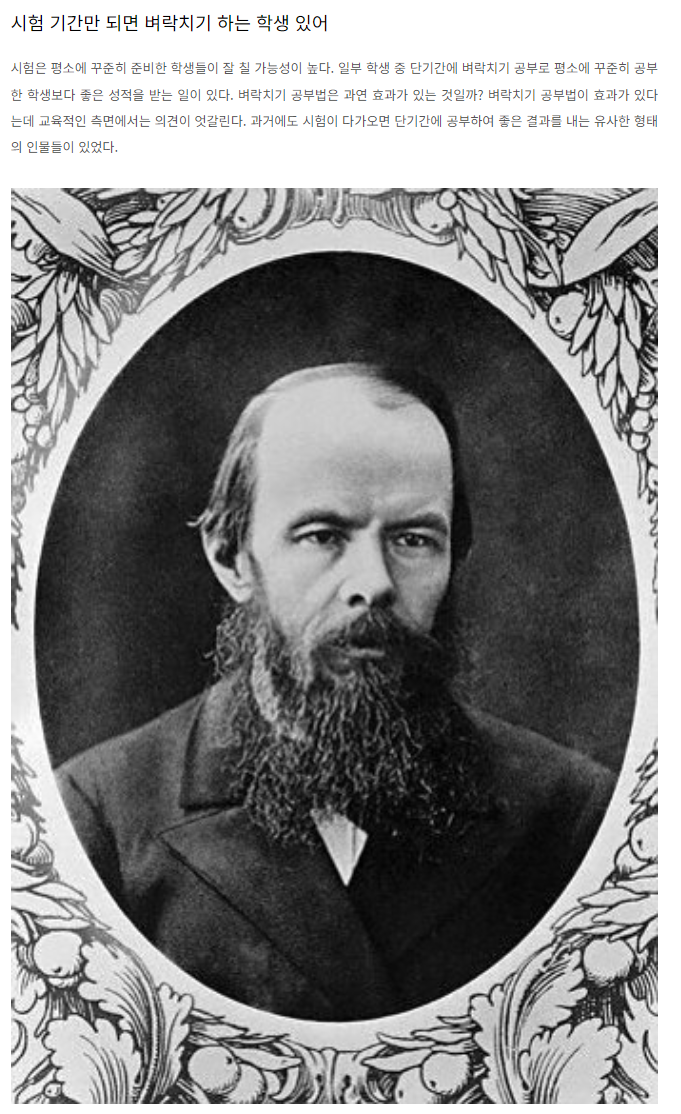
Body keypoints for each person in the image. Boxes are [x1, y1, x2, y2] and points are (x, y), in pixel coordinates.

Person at [57, 361, 614, 1021]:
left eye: (413, 539)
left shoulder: (572, 820)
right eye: (323, 536)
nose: (373, 582)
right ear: (232, 555)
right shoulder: (95, 825)